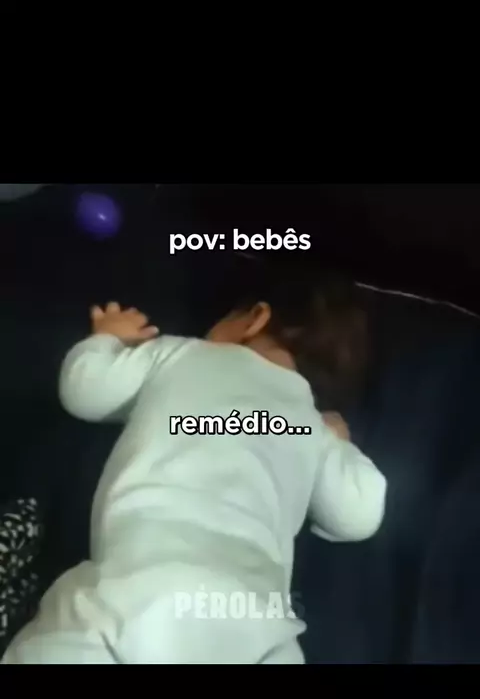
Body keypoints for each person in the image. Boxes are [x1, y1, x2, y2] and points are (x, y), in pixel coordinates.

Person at [1, 258, 387, 664]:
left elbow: (85, 389)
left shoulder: (183, 354)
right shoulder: (310, 427)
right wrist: (340, 444)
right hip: (251, 623)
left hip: (132, 587)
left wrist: (107, 338)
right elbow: (359, 515)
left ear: (255, 318)